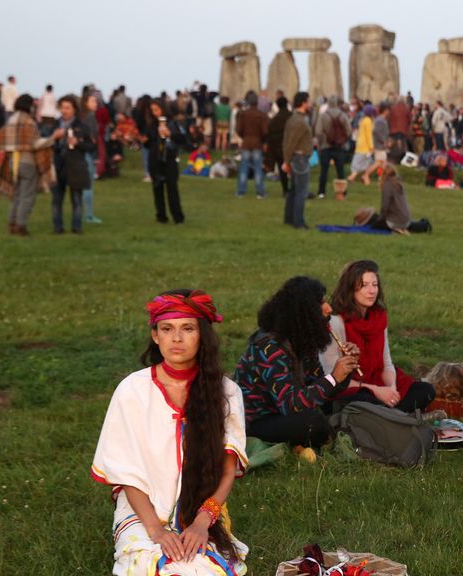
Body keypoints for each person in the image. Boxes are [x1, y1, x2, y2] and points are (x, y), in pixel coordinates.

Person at [91, 289, 249, 575]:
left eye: (187, 329)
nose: (176, 338)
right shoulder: (132, 390)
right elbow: (125, 472)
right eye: (167, 329)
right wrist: (156, 531)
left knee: (202, 570)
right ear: (155, 335)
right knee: (153, 568)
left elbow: (227, 470)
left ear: (202, 335)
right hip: (142, 511)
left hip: (201, 509)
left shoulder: (226, 392)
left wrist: (203, 522)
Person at [234, 277, 359, 455]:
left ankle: (304, 442)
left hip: (286, 412)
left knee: (351, 402)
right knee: (313, 423)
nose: (329, 309)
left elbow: (318, 386)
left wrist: (345, 371)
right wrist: (333, 378)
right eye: (321, 302)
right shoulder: (269, 348)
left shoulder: (301, 340)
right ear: (304, 311)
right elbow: (291, 404)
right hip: (258, 420)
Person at [321, 260, 436, 413]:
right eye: (364, 285)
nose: (371, 291)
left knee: (425, 390)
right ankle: (394, 417)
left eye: (374, 285)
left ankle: (389, 417)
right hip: (349, 387)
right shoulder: (336, 321)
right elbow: (331, 375)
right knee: (366, 401)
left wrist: (391, 389)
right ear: (350, 289)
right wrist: (376, 391)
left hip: (376, 379)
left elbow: (386, 363)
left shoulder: (378, 318)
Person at [0, 94, 53, 236]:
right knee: (27, 196)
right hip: (27, 161)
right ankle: (21, 226)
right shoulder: (28, 121)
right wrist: (52, 139)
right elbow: (34, 144)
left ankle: (12, 224)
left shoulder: (11, 120)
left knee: (16, 195)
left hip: (11, 161)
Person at [49, 95, 94, 234]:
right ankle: (58, 227)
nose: (64, 110)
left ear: (74, 109)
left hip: (76, 165)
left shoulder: (82, 126)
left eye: (67, 108)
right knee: (57, 199)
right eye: (62, 107)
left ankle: (77, 227)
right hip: (58, 164)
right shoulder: (55, 124)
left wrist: (78, 143)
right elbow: (46, 143)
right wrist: (54, 139)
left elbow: (91, 146)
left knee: (76, 199)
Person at [146, 99, 187, 224]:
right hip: (155, 159)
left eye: (157, 110)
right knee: (157, 188)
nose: (155, 113)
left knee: (172, 189)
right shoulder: (152, 124)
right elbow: (149, 143)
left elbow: (183, 139)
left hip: (169, 158)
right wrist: (144, 140)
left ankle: (178, 217)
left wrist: (170, 134)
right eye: (152, 110)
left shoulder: (173, 123)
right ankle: (161, 216)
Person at [360, 166, 432, 234]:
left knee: (375, 225)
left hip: (395, 221)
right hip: (406, 219)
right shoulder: (398, 183)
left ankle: (398, 230)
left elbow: (385, 207)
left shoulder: (387, 185)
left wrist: (380, 220)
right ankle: (413, 227)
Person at [282, 92, 313, 229]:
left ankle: (289, 218)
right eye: (308, 100)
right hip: (299, 158)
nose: (310, 103)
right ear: (303, 103)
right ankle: (299, 222)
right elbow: (291, 143)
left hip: (296, 158)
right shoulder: (299, 122)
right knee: (301, 191)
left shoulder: (293, 119)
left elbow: (286, 142)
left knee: (294, 190)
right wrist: (286, 162)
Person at [315, 96, 350, 199]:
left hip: (326, 146)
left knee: (324, 171)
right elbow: (348, 130)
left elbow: (318, 131)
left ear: (328, 103)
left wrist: (322, 141)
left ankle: (321, 192)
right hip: (338, 146)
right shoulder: (342, 115)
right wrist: (343, 140)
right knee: (340, 171)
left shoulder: (323, 116)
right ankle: (343, 192)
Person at [235, 92, 267, 199]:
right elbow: (265, 131)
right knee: (258, 168)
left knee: (244, 167)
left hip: (246, 141)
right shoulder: (261, 115)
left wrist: (244, 136)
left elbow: (238, 129)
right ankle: (260, 192)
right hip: (257, 142)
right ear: (257, 103)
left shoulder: (243, 114)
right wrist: (262, 140)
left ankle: (241, 191)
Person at [80, 94, 103, 224]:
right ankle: (88, 215)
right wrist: (95, 156)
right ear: (86, 102)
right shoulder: (90, 117)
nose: (96, 103)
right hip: (88, 153)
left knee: (85, 186)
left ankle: (85, 213)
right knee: (88, 186)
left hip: (84, 153)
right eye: (93, 101)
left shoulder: (83, 116)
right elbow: (92, 138)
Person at [264, 96, 291, 196]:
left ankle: (285, 190)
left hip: (279, 149)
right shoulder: (292, 117)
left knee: (282, 171)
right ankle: (295, 189)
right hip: (291, 147)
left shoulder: (274, 120)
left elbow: (270, 136)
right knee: (294, 170)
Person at [347, 104, 375, 185]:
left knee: (364, 164)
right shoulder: (368, 121)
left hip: (359, 145)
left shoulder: (362, 120)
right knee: (363, 164)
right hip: (365, 147)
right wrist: (371, 147)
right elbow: (369, 135)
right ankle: (351, 178)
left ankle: (366, 180)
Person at [362, 103, 389, 184]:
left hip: (379, 145)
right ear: (385, 110)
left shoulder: (380, 120)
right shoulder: (380, 120)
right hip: (379, 145)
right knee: (380, 163)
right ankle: (367, 174)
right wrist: (383, 141)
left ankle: (380, 178)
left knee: (382, 164)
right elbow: (376, 132)